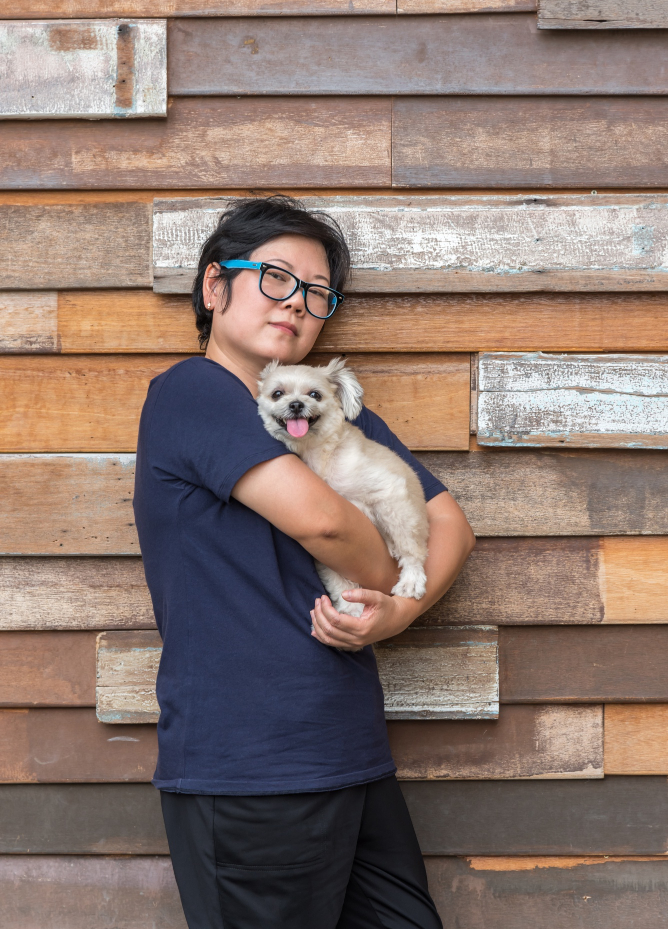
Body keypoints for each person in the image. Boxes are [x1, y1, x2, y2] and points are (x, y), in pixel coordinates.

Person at [133, 195, 476, 929]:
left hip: (346, 748)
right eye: (277, 278)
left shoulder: (330, 409)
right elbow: (323, 523)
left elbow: (448, 521)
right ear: (214, 287)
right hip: (250, 762)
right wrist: (394, 572)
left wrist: (400, 613)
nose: (299, 304)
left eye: (318, 294)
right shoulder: (197, 392)